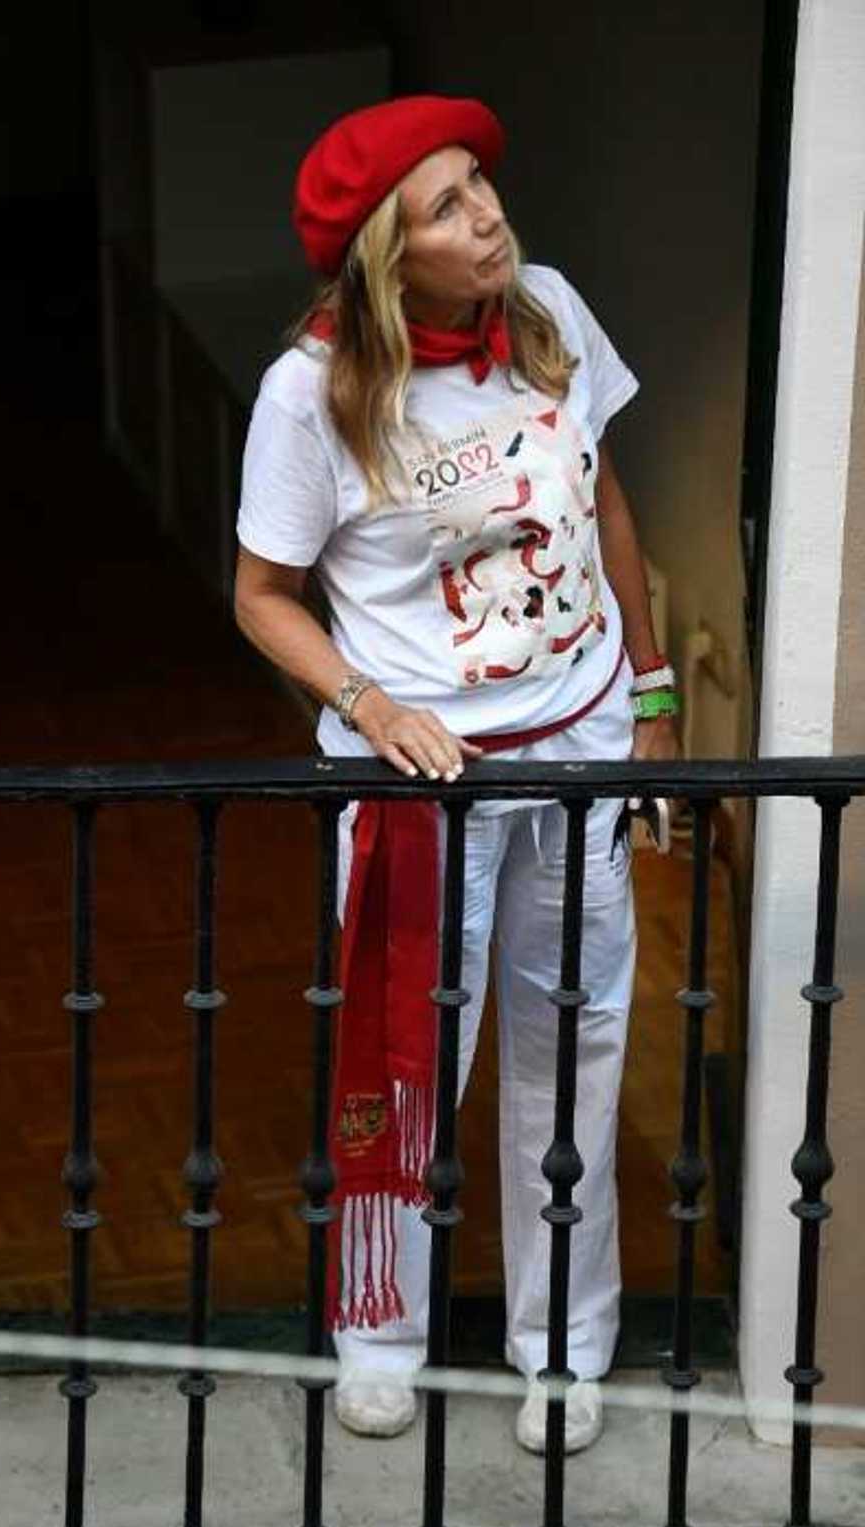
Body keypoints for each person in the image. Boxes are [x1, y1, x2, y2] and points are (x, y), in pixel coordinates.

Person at [234, 95, 679, 1453]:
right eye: (443, 207)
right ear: (386, 253)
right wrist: (367, 704)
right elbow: (264, 596)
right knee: (405, 1052)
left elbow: (601, 493)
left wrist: (653, 696)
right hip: (421, 779)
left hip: (584, 743)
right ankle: (383, 1332)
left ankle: (562, 1351)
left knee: (578, 1042)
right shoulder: (312, 393)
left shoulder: (546, 309)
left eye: (477, 182)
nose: (485, 215)